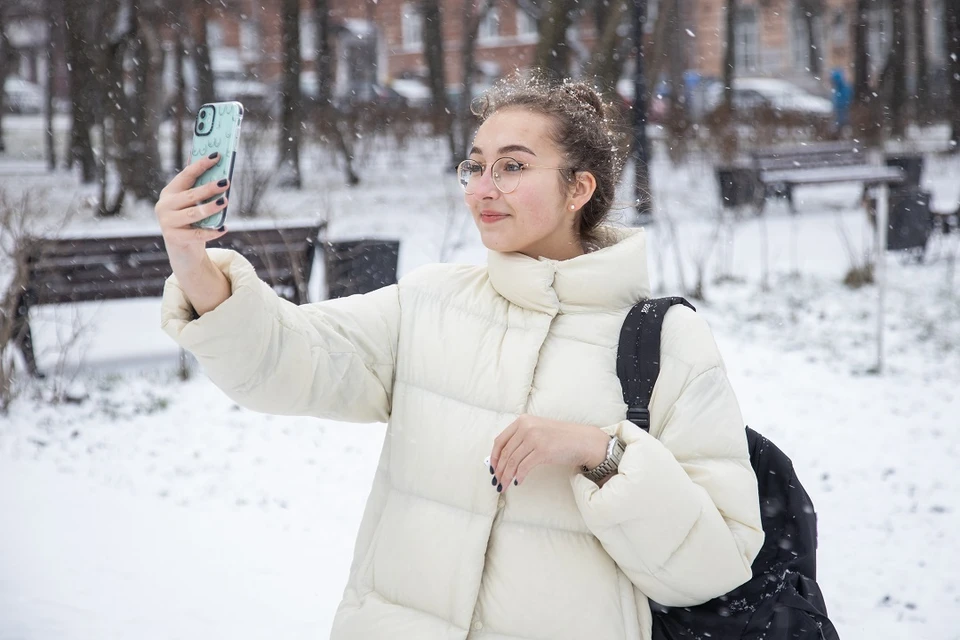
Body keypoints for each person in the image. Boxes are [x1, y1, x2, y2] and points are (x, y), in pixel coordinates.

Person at [156, 73, 763, 640]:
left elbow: (715, 563)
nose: (483, 188)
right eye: (474, 167)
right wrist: (192, 262)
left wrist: (601, 454)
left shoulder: (666, 341)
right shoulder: (429, 302)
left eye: (511, 167)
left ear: (579, 187)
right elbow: (282, 359)